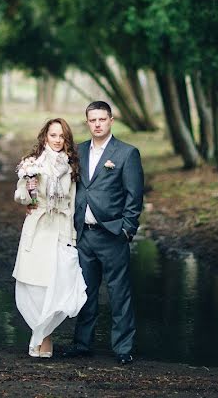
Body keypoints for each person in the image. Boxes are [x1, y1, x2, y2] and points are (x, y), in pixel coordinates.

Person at [63, 100, 144, 365]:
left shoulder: (126, 153)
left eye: (102, 119)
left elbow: (134, 195)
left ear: (111, 120)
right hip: (84, 235)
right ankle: (82, 344)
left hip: (112, 234)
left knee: (119, 293)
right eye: (92, 120)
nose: (97, 124)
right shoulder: (78, 151)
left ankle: (123, 348)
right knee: (85, 292)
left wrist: (127, 229)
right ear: (87, 122)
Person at [12, 118, 88, 358]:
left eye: (62, 136)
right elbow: (22, 199)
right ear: (45, 136)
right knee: (33, 285)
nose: (57, 140)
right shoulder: (32, 163)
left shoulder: (71, 167)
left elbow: (73, 203)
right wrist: (28, 184)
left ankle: (43, 336)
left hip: (61, 228)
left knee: (59, 286)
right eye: (53, 135)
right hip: (38, 228)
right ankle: (42, 337)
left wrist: (72, 237)